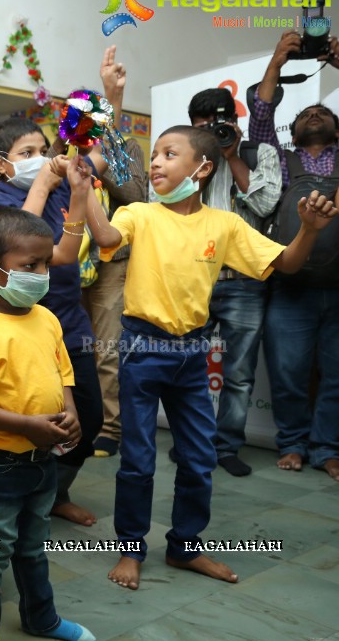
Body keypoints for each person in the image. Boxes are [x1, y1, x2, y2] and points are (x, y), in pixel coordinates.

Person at [85, 125, 336, 591]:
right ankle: (131, 548)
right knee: (138, 460)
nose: (156, 162)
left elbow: (287, 263)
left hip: (192, 354)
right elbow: (105, 235)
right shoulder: (141, 213)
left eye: (168, 153)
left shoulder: (224, 224)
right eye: (154, 153)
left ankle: (184, 547)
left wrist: (308, 229)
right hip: (143, 348)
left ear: (200, 169)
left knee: (200, 458)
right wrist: (84, 194)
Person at [0, 205, 96, 641]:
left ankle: (42, 618)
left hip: (42, 460)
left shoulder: (46, 318)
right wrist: (26, 425)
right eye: (29, 266)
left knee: (33, 547)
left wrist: (70, 412)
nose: (42, 273)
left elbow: (62, 372)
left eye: (45, 263)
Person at [0, 118, 99, 527]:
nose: (40, 161)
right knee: (31, 422)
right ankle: (22, 503)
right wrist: (41, 186)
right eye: (26, 154)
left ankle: (56, 494)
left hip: (71, 322)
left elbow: (70, 252)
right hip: (22, 328)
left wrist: (80, 192)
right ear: (2, 164)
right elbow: (17, 242)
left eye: (43, 150)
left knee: (87, 419)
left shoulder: (60, 194)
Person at [248, 30, 339, 479]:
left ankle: (327, 449)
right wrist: (276, 63)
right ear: (296, 130)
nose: (316, 114)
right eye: (308, 112)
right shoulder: (281, 160)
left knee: (338, 377)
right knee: (287, 374)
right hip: (291, 287)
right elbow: (261, 119)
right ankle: (293, 444)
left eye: (324, 111)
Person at [185, 87, 283, 477]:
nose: (215, 128)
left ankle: (226, 446)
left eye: (222, 121)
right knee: (188, 367)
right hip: (195, 276)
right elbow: (172, 207)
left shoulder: (261, 154)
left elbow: (264, 205)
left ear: (236, 122)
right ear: (192, 125)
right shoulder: (184, 157)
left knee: (239, 374)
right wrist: (204, 159)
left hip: (244, 280)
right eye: (205, 123)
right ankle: (192, 444)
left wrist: (230, 155)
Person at [86, 45, 149, 459]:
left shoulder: (125, 148)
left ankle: (111, 427)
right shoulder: (62, 153)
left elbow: (135, 194)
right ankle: (85, 420)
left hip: (111, 265)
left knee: (108, 350)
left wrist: (100, 164)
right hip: (66, 267)